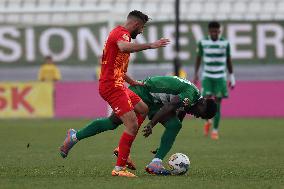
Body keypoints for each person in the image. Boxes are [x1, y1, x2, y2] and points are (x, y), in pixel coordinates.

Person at [59, 10, 170, 178]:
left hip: (119, 85)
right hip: (112, 87)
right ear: (136, 25)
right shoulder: (122, 34)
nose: (141, 32)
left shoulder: (120, 34)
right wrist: (150, 45)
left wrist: (131, 82)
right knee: (131, 125)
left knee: (142, 109)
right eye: (141, 28)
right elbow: (123, 47)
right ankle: (119, 169)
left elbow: (115, 65)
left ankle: (76, 137)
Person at [59, 76, 217, 176]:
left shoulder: (193, 100)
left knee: (174, 125)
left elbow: (178, 114)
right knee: (113, 122)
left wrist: (165, 142)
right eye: (200, 114)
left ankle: (156, 162)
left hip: (154, 101)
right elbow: (169, 107)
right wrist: (152, 124)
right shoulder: (191, 95)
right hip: (142, 92)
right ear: (202, 104)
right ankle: (74, 137)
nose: (196, 116)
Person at [193, 21, 235, 140]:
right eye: (212, 31)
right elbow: (198, 58)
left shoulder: (225, 43)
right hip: (207, 77)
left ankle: (215, 130)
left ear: (219, 31)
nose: (214, 33)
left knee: (218, 104)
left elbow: (228, 60)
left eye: (216, 31)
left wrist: (232, 76)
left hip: (220, 77)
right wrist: (196, 74)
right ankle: (208, 121)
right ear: (209, 31)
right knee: (204, 102)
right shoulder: (203, 42)